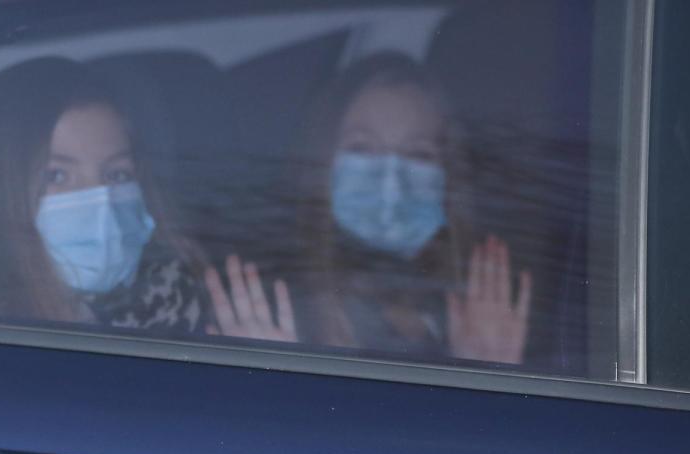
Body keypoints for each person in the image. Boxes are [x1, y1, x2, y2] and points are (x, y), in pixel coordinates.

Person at [206, 52, 531, 365]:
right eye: (362, 148)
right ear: (324, 163)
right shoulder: (278, 304)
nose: (391, 181)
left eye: (418, 154)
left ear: (447, 178)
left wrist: (485, 371)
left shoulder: (473, 312)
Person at [0, 58, 207, 333]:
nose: (101, 200)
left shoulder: (171, 296)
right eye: (57, 175)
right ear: (0, 189)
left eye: (116, 174)